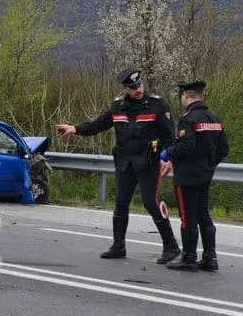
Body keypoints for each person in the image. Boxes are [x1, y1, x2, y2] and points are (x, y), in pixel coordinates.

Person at [55, 67, 180, 262]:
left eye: (139, 85)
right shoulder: (117, 107)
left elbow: (169, 136)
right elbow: (98, 125)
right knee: (121, 202)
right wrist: (75, 129)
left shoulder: (157, 105)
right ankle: (118, 245)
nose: (138, 90)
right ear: (125, 88)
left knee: (150, 202)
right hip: (125, 162)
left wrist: (168, 158)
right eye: (132, 87)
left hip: (148, 162)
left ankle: (171, 246)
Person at [159, 81, 229, 271]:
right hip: (205, 175)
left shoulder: (188, 119)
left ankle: (189, 257)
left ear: (186, 96)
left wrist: (168, 153)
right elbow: (224, 149)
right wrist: (208, 165)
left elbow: (186, 146)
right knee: (203, 216)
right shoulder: (213, 118)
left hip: (187, 176)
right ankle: (210, 257)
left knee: (187, 218)